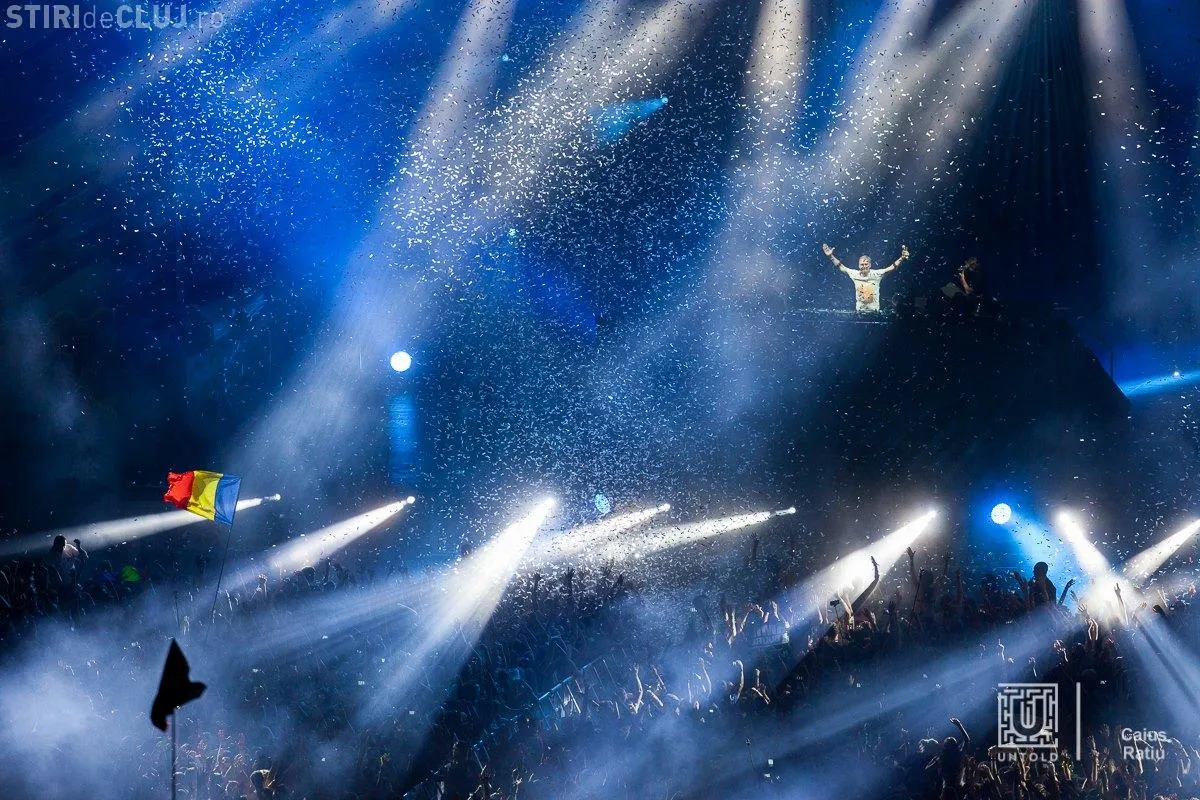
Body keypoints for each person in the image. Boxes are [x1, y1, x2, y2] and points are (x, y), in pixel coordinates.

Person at [822, 243, 909, 312]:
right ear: (859, 265)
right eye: (862, 264)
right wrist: (830, 256)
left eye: (866, 264)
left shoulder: (876, 274)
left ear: (870, 265)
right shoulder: (854, 274)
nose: (864, 266)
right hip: (859, 312)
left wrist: (902, 258)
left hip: (874, 312)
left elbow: (891, 268)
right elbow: (841, 267)